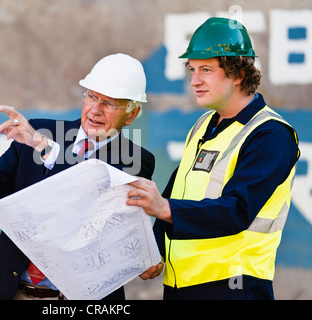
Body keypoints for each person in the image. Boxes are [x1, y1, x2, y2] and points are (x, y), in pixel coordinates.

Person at [0, 53, 161, 300]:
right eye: (92, 96)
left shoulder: (135, 160)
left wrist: (48, 149)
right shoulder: (39, 130)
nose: (95, 110)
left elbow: (83, 197)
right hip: (7, 288)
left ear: (131, 115)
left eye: (110, 103)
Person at [127, 17, 300, 300]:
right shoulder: (204, 125)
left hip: (234, 288)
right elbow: (177, 193)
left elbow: (237, 209)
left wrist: (165, 208)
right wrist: (153, 249)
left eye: (206, 70)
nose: (194, 81)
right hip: (180, 286)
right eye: (192, 69)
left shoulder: (270, 134)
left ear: (237, 73)